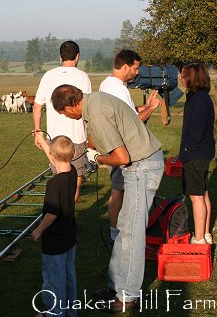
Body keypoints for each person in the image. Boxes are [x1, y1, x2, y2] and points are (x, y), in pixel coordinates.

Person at [51, 84, 164, 312]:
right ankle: (115, 287)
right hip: (139, 165)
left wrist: (98, 159)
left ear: (73, 104)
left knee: (132, 232)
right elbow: (100, 139)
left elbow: (121, 157)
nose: (66, 116)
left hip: (142, 167)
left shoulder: (97, 112)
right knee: (124, 227)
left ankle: (128, 296)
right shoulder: (95, 103)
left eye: (64, 112)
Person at [99, 49, 160, 246]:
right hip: (120, 148)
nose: (136, 73)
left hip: (117, 145)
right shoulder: (118, 89)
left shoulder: (109, 84)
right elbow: (132, 122)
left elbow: (129, 112)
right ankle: (115, 233)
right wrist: (151, 108)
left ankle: (117, 231)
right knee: (119, 190)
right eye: (135, 68)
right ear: (125, 67)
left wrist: (146, 106)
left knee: (121, 190)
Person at [33, 40, 92, 202]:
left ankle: (61, 212)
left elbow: (37, 105)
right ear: (78, 56)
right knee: (77, 177)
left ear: (60, 57)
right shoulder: (82, 76)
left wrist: (37, 131)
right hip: (77, 137)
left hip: (55, 137)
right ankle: (69, 210)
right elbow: (86, 106)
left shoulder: (48, 76)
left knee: (60, 176)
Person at [32, 133, 78, 317]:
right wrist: (44, 142)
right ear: (72, 154)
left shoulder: (53, 184)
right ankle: (70, 311)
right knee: (69, 276)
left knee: (53, 280)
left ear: (53, 154)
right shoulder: (73, 171)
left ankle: (54, 313)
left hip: (54, 242)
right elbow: (56, 160)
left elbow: (51, 214)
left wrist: (38, 230)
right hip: (69, 238)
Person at [178, 62, 215, 244]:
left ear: (190, 78)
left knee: (196, 196)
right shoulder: (199, 97)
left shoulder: (199, 100)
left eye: (183, 75)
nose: (180, 78)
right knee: (203, 192)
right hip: (201, 153)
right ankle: (206, 233)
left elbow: (197, 130)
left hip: (196, 154)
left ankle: (199, 238)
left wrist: (187, 149)